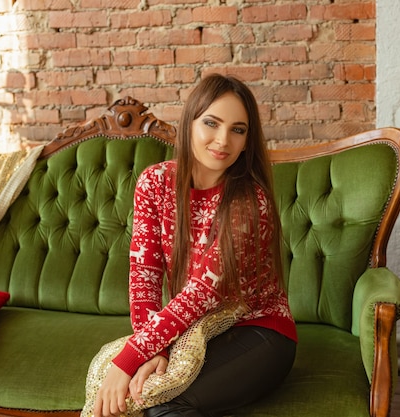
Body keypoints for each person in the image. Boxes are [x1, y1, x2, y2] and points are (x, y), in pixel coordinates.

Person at [93, 74, 298, 417]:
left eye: (238, 129)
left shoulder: (250, 201)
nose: (222, 140)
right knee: (138, 395)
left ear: (248, 141)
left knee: (158, 402)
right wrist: (152, 350)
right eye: (211, 123)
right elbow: (144, 276)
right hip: (195, 333)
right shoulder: (154, 183)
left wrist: (128, 358)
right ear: (189, 124)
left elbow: (202, 293)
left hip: (260, 333)